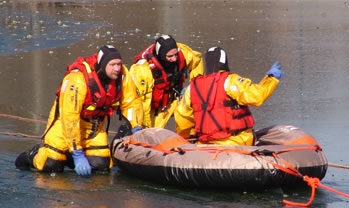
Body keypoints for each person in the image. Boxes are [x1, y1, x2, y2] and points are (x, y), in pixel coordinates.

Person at [15, 45, 143, 176]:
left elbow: (131, 102)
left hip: (94, 127)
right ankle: (33, 154)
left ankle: (68, 156)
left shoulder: (122, 76)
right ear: (103, 64)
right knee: (51, 163)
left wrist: (136, 126)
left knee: (101, 166)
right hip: (64, 126)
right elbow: (70, 118)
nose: (117, 68)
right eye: (113, 64)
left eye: (119, 64)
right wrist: (77, 153)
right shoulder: (78, 79)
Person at [174, 47, 285, 146]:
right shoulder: (231, 81)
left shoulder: (192, 88)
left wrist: (184, 140)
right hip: (237, 141)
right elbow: (257, 96)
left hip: (205, 144)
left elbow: (182, 118)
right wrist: (271, 78)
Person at [129, 34, 204, 128]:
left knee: (194, 96)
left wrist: (196, 85)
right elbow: (142, 104)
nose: (174, 58)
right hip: (152, 109)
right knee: (150, 134)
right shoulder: (143, 70)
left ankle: (190, 135)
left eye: (176, 54)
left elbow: (196, 61)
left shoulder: (183, 54)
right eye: (170, 56)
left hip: (173, 100)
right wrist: (145, 129)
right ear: (161, 55)